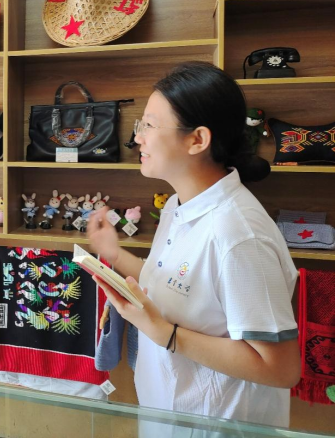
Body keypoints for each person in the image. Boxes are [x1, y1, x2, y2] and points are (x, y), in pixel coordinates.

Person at [87, 62, 300, 430]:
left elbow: (281, 368)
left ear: (197, 140)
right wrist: (114, 255)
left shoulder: (240, 236)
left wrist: (165, 334)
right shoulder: (177, 205)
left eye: (149, 126)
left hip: (219, 427)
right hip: (167, 415)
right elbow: (173, 282)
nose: (138, 138)